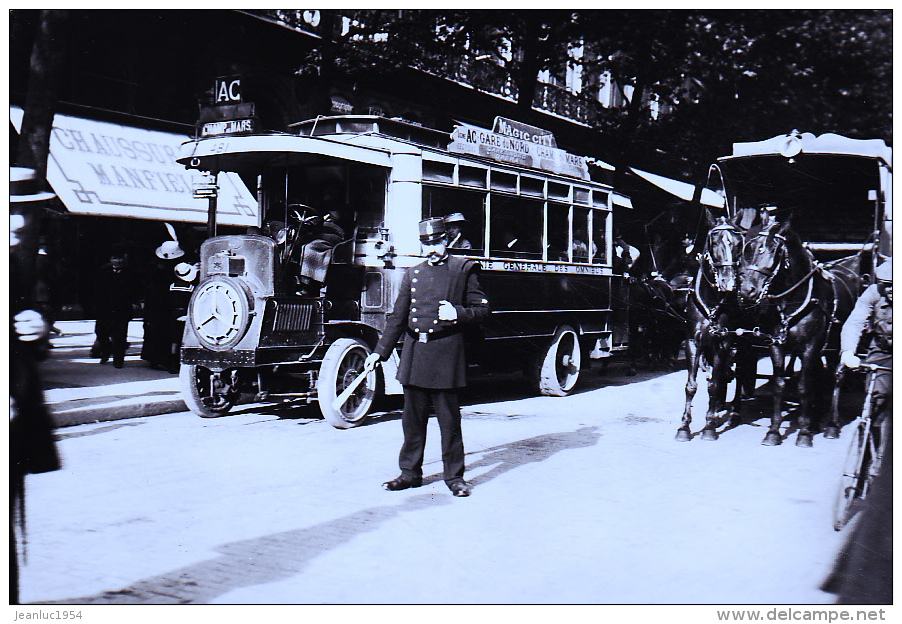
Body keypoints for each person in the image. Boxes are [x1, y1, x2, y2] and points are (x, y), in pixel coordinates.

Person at [364, 217, 490, 497]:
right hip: (416, 353)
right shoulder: (413, 273)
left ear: (447, 241)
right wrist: (378, 353)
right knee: (411, 420)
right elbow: (398, 317)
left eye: (437, 242)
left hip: (446, 354)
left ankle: (455, 477)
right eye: (426, 244)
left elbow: (483, 310)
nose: (431, 248)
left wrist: (458, 313)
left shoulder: (463, 269)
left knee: (449, 422)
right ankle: (409, 473)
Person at [10, 167, 62, 604]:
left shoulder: (14, 262)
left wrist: (36, 328)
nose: (19, 223)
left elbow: (24, 333)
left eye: (27, 213)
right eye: (11, 212)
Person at [93, 244, 140, 368]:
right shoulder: (103, 271)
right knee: (100, 331)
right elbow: (97, 289)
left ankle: (118, 360)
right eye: (115, 258)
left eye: (120, 258)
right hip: (105, 308)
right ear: (110, 259)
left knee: (120, 335)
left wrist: (135, 301)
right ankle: (107, 350)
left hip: (122, 308)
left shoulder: (130, 272)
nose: (118, 261)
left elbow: (135, 289)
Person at [142, 238, 185, 370]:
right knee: (166, 330)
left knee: (155, 329)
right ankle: (164, 358)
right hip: (167, 302)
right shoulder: (177, 269)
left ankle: (154, 357)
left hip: (155, 303)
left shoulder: (155, 267)